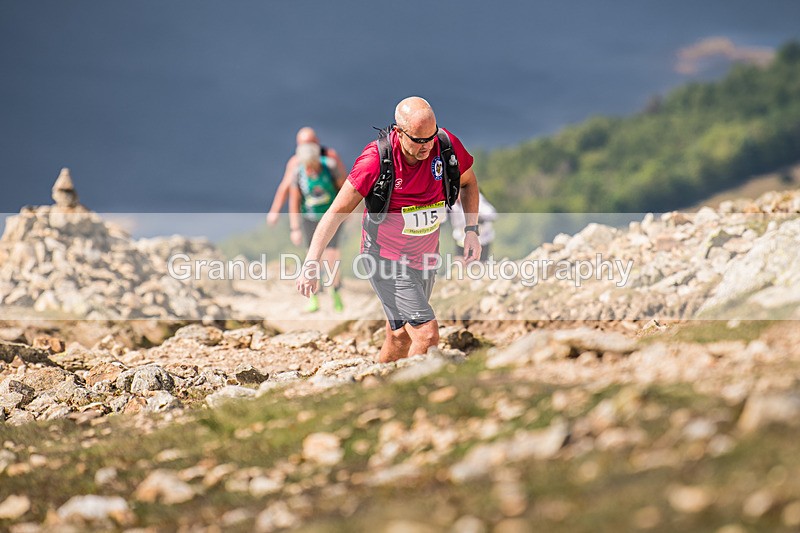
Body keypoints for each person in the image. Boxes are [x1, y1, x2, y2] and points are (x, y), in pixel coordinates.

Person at [296, 96, 482, 363]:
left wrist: (471, 230)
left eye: (431, 136)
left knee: (400, 337)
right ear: (399, 131)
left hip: (426, 260)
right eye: (418, 140)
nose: (427, 146)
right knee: (427, 336)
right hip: (386, 260)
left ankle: (378, 385)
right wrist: (311, 261)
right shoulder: (375, 160)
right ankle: (412, 396)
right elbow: (335, 213)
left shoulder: (445, 147)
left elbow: (469, 182)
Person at [289, 142, 346, 312]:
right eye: (308, 166)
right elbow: (295, 200)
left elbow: (343, 189)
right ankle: (313, 297)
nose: (311, 170)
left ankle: (335, 292)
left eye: (313, 166)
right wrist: (295, 228)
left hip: (331, 217)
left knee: (332, 256)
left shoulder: (330, 167)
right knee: (312, 257)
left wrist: (347, 212)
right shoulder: (298, 173)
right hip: (309, 218)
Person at [266, 127, 346, 226]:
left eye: (310, 143)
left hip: (330, 210)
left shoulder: (330, 157)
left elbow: (343, 183)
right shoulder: (295, 162)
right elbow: (285, 187)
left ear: (317, 141)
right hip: (309, 213)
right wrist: (275, 211)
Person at [449, 190, 497, 262]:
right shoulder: (452, 202)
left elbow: (492, 214)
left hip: (481, 239)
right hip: (461, 237)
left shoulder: (476, 198)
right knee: (460, 262)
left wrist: (477, 218)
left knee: (479, 264)